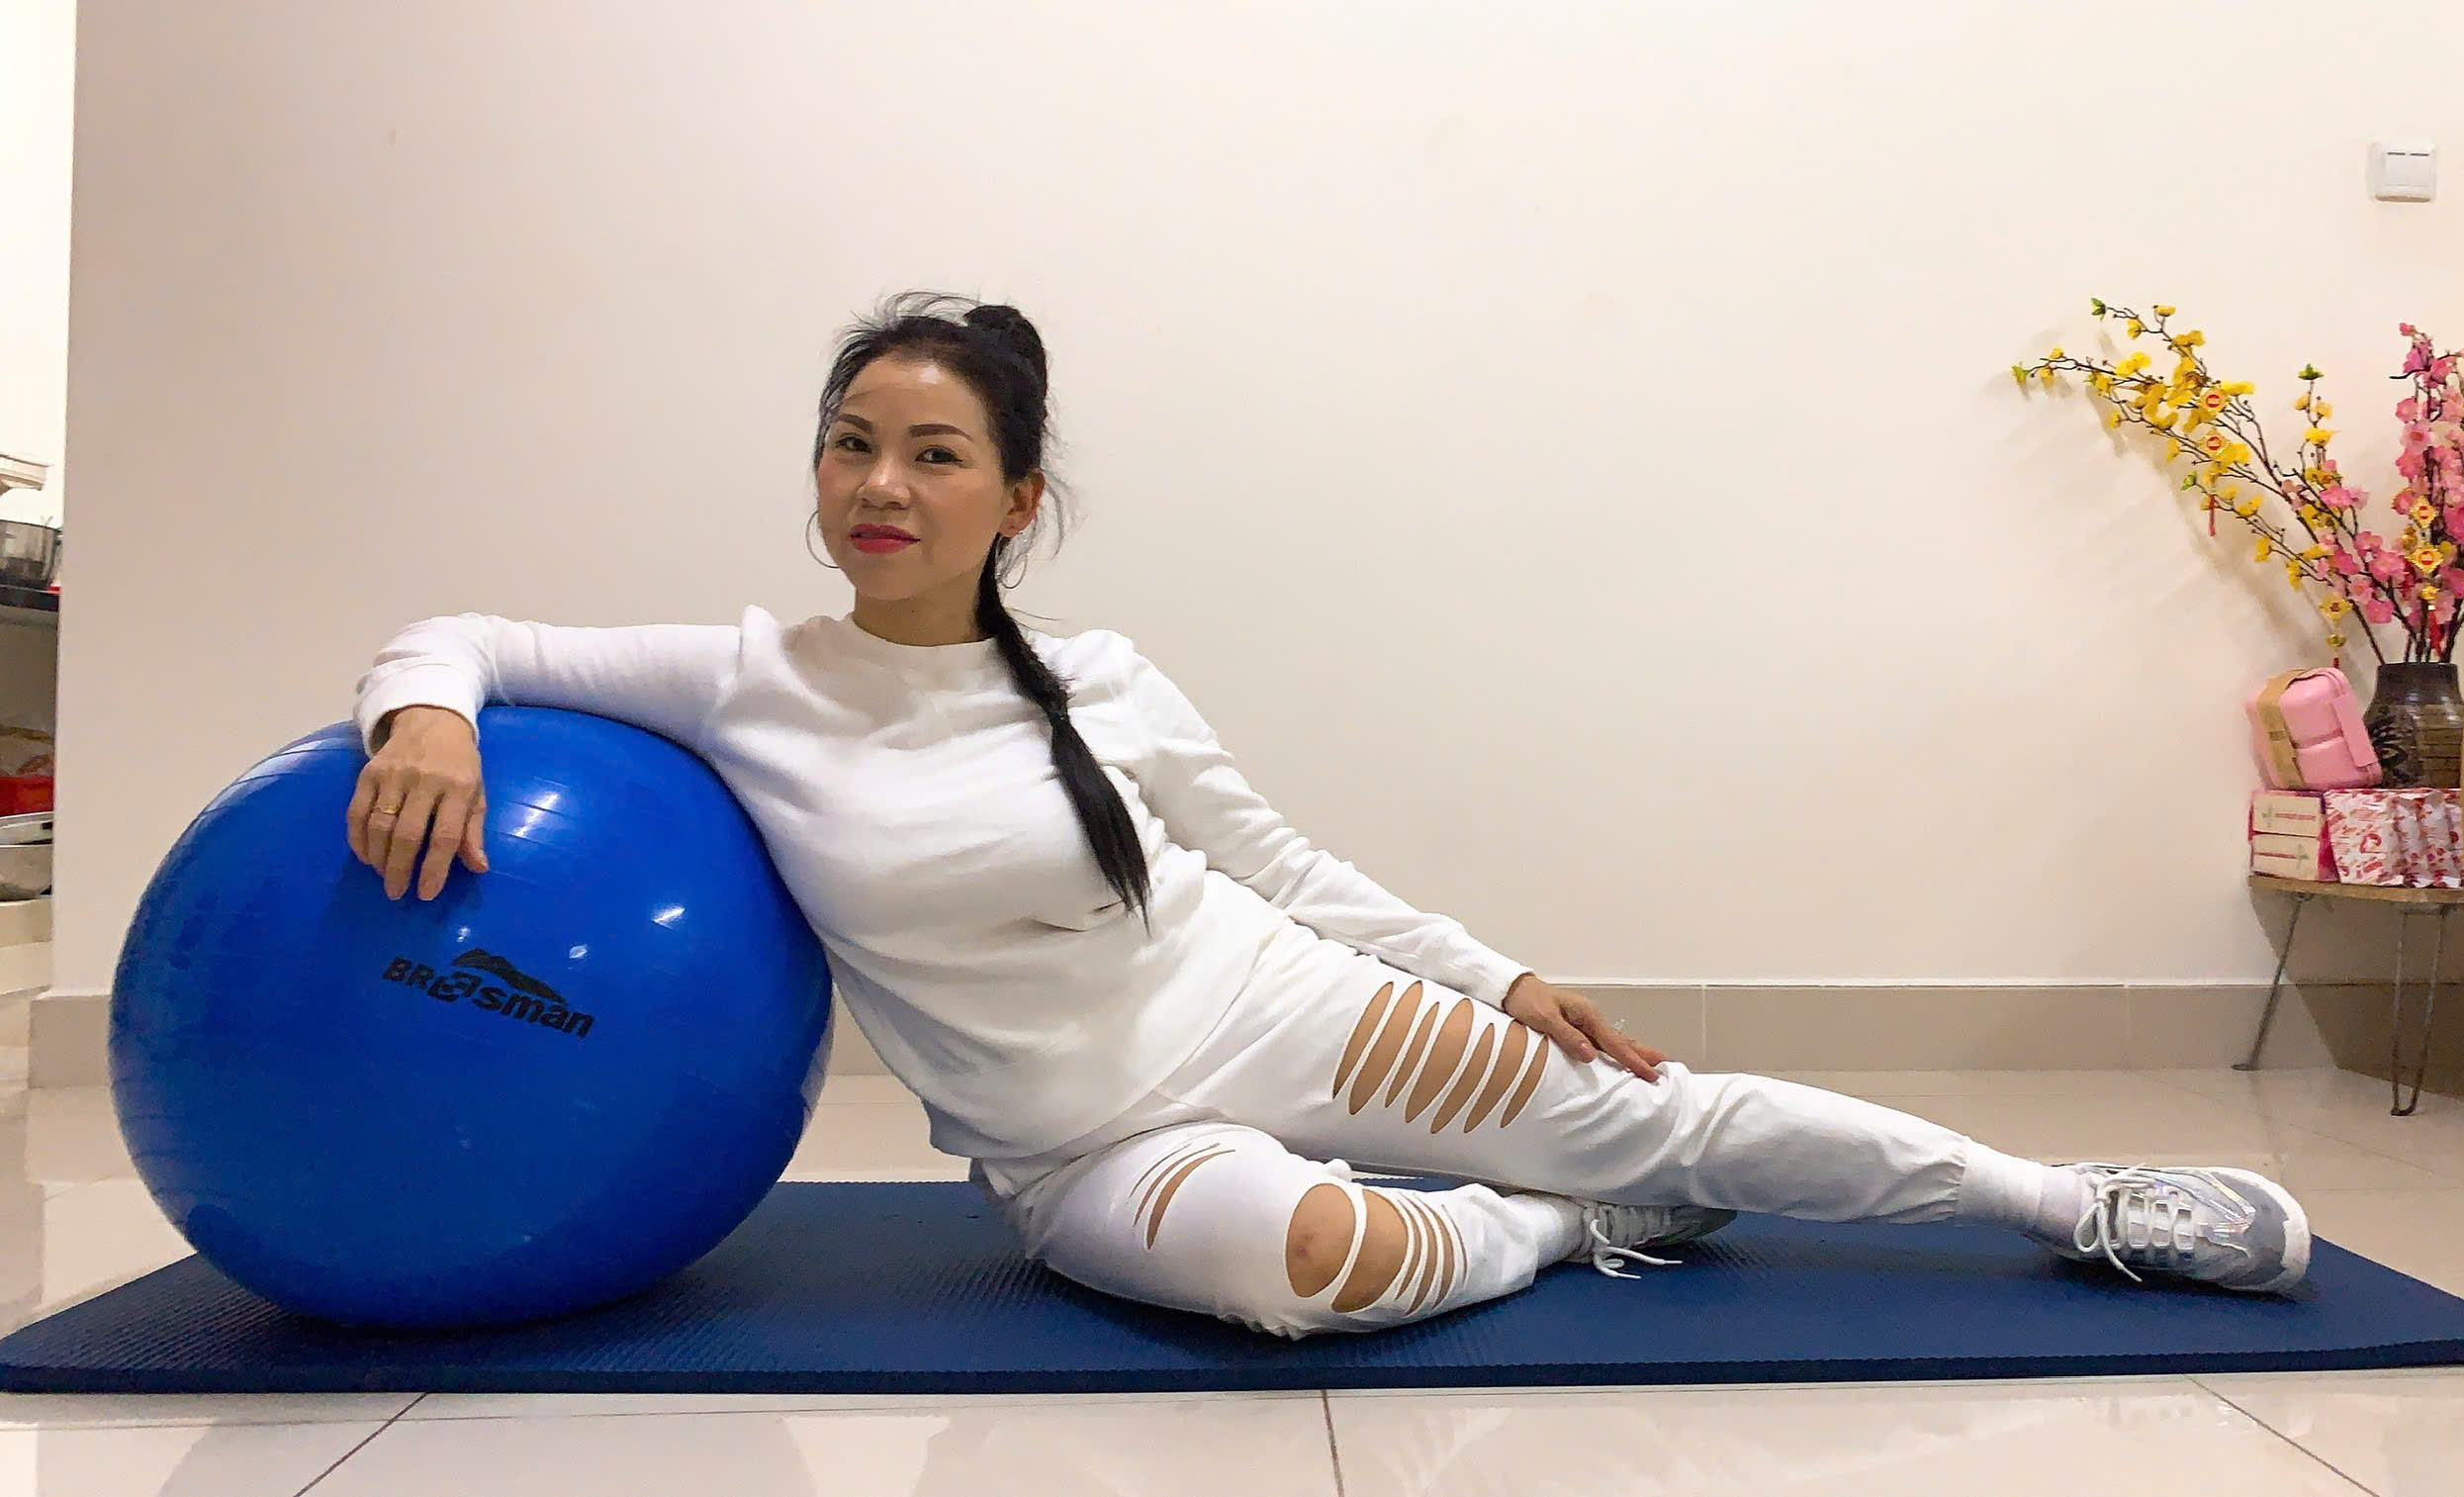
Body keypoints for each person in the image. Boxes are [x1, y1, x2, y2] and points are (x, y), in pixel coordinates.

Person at [346, 292, 2310, 1339]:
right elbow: (456, 632)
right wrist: (424, 714)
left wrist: (1501, 978)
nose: (880, 484)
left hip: (1278, 1007)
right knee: (1298, 1274)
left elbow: (1280, 865)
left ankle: (2073, 1204)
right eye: (851, 444)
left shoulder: (1102, 678)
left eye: (933, 453)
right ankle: (1558, 1232)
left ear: (1015, 499)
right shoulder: (745, 677)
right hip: (1075, 1154)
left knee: (1674, 1108)